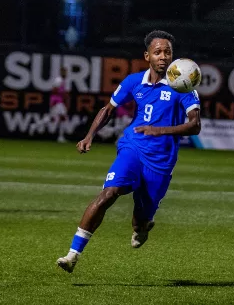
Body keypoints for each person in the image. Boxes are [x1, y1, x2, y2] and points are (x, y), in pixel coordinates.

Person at [56, 30, 201, 274]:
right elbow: (108, 109)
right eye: (157, 52)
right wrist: (89, 135)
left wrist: (160, 131)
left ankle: (142, 226)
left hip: (161, 161)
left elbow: (195, 125)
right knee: (108, 193)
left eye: (168, 52)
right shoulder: (134, 81)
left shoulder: (183, 86)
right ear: (147, 56)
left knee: (139, 220)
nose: (163, 56)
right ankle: (72, 254)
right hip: (132, 148)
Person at [50, 67, 70, 143]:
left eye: (66, 72)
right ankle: (60, 137)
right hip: (57, 102)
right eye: (64, 72)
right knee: (61, 117)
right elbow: (54, 91)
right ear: (61, 72)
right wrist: (53, 101)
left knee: (54, 119)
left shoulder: (63, 80)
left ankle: (35, 126)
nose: (65, 73)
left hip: (59, 101)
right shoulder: (58, 80)